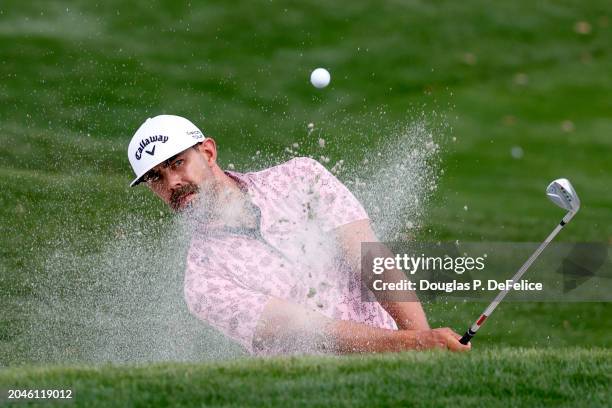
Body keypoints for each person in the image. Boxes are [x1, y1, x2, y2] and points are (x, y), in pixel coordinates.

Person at [127, 114, 471, 355]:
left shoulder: (299, 178)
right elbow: (312, 332)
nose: (172, 183)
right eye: (155, 178)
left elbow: (370, 257)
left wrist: (421, 340)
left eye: (177, 163)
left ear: (207, 152)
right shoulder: (203, 283)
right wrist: (413, 345)